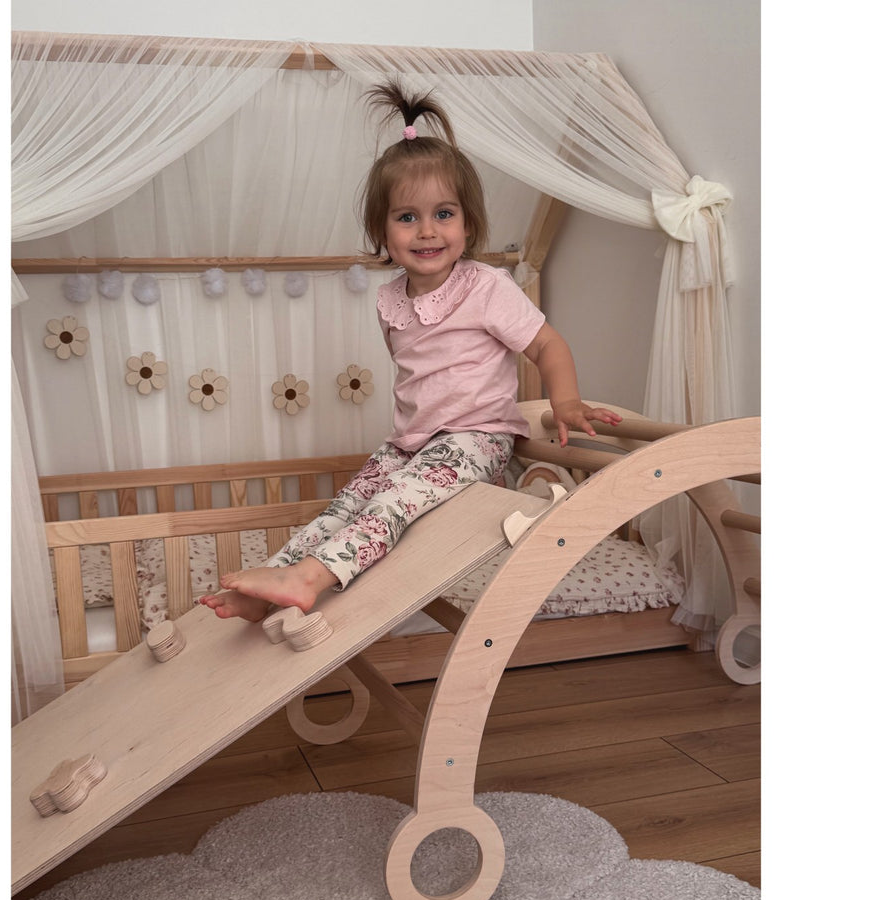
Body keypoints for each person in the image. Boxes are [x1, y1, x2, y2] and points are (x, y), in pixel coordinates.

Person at [201, 80, 620, 623]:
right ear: (383, 231)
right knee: (347, 504)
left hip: (476, 438)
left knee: (391, 505)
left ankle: (310, 579)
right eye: (406, 218)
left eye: (444, 214)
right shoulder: (389, 301)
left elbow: (546, 343)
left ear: (468, 222)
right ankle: (274, 580)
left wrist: (566, 401)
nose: (426, 231)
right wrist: (409, 450)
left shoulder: (485, 286)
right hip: (411, 444)